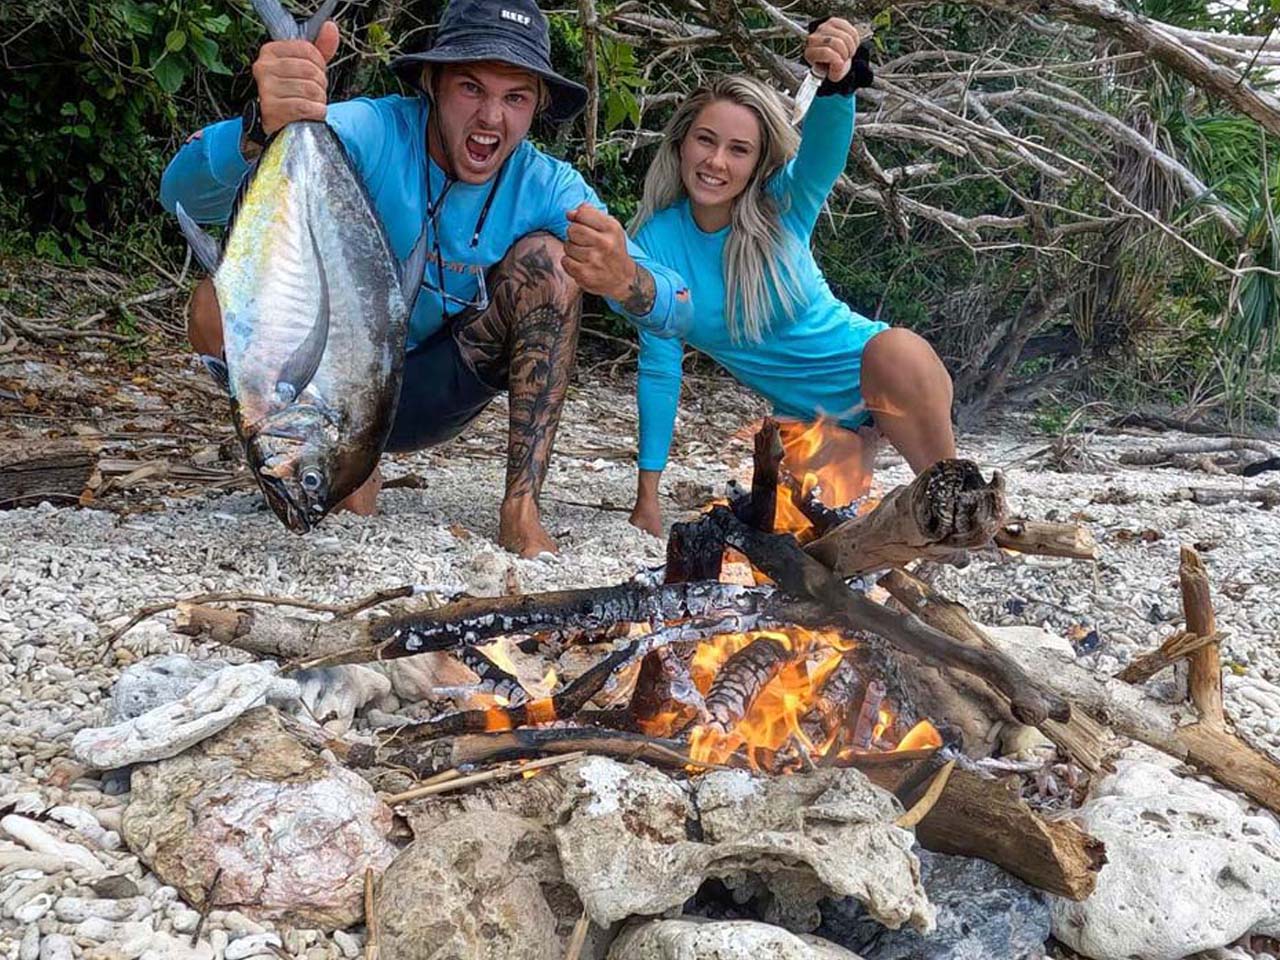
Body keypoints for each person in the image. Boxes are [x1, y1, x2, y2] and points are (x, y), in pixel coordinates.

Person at [160, 0, 692, 557]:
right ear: (433, 83)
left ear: (538, 106)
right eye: (471, 88)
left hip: (439, 387)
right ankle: (339, 457)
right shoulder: (369, 131)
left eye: (515, 97)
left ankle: (521, 506)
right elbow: (179, 193)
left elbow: (680, 306)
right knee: (213, 304)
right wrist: (259, 128)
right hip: (331, 376)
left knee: (551, 264)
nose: (491, 118)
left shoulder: (546, 185)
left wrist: (625, 278)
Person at [625, 19, 957, 537]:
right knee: (813, 540)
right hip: (806, 420)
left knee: (897, 355)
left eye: (739, 149)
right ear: (681, 143)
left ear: (758, 160)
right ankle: (874, 475)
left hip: (878, 374)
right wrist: (647, 500)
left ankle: (958, 509)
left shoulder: (780, 203)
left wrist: (838, 85)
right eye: (705, 140)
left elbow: (822, 156)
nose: (716, 162)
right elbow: (660, 367)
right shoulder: (654, 243)